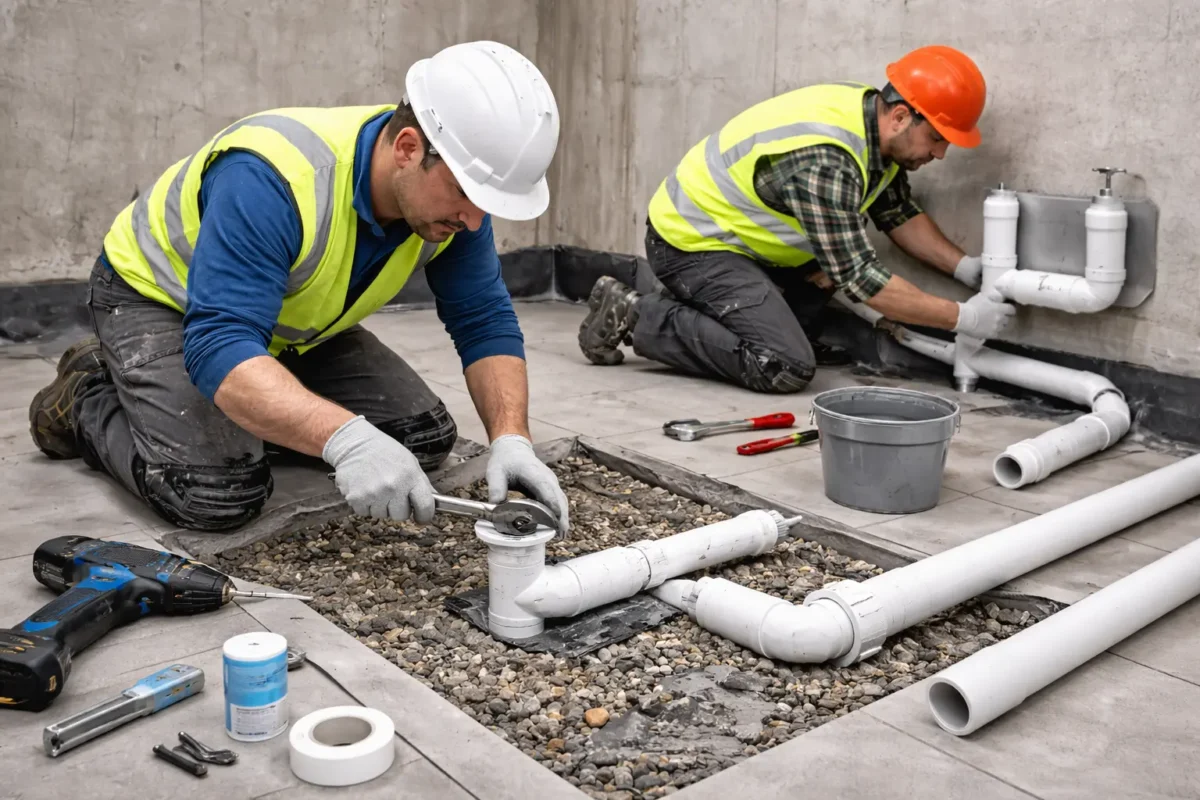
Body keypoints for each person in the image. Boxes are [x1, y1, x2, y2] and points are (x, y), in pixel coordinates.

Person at [28, 41, 571, 535]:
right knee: (216, 493)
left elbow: (483, 318)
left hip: (287, 324)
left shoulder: (455, 207)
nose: (476, 221)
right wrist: (345, 439)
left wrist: (511, 438)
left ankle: (240, 404)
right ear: (408, 147)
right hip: (160, 301)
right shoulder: (273, 176)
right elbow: (219, 342)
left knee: (420, 439)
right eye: (465, 193)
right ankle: (88, 394)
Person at [578, 45, 1015, 393]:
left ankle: (735, 315)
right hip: (691, 242)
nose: (940, 154)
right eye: (937, 138)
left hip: (743, 244)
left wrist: (966, 269)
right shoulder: (826, 160)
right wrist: (962, 318)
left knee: (820, 283)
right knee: (782, 364)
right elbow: (863, 281)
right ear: (901, 116)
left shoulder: (874, 124)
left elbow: (897, 214)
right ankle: (636, 313)